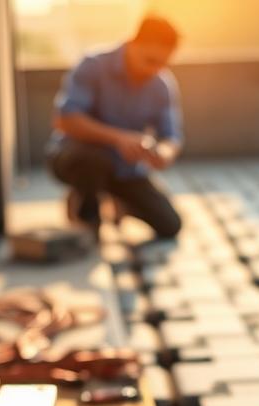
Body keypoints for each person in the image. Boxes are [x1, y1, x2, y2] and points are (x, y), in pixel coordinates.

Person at [50, 15, 183, 240]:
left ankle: (121, 201)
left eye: (162, 63)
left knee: (170, 225)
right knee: (93, 162)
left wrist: (162, 153)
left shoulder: (162, 83)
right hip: (78, 159)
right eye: (150, 60)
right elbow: (65, 119)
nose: (155, 69)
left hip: (125, 169)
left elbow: (171, 137)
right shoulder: (93, 65)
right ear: (133, 43)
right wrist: (118, 139)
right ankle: (87, 213)